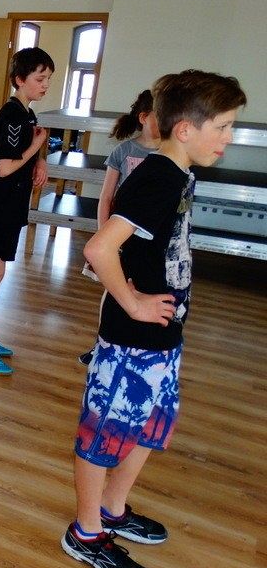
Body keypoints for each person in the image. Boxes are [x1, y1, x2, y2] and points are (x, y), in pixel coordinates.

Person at [62, 70, 245, 568]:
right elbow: (99, 249)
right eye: (223, 126)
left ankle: (113, 508)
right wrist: (134, 303)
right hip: (131, 338)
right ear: (185, 129)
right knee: (105, 433)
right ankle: (86, 532)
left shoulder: (179, 173)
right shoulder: (158, 177)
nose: (229, 137)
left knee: (151, 425)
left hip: (163, 335)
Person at [0, 47, 53, 375]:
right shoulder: (12, 115)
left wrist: (39, 160)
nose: (45, 85)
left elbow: (27, 146)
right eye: (39, 79)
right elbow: (3, 167)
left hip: (10, 206)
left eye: (48, 79)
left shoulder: (26, 114)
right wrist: (35, 149)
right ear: (19, 79)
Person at [79, 89, 160, 365]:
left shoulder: (169, 154)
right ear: (144, 118)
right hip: (121, 237)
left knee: (145, 291)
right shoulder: (123, 151)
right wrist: (104, 235)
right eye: (160, 117)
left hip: (152, 240)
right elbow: (106, 198)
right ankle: (101, 346)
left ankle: (137, 351)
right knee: (115, 291)